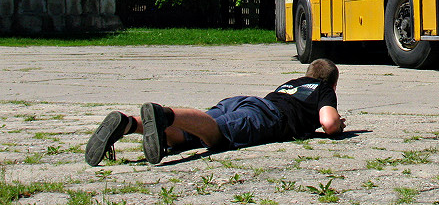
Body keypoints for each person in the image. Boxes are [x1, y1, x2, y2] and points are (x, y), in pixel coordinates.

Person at [85, 58, 345, 166]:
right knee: (217, 136)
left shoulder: (292, 83)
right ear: (332, 83)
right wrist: (339, 125)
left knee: (193, 133)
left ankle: (129, 124)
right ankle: (165, 115)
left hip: (243, 101)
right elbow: (329, 123)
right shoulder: (323, 88)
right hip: (267, 116)